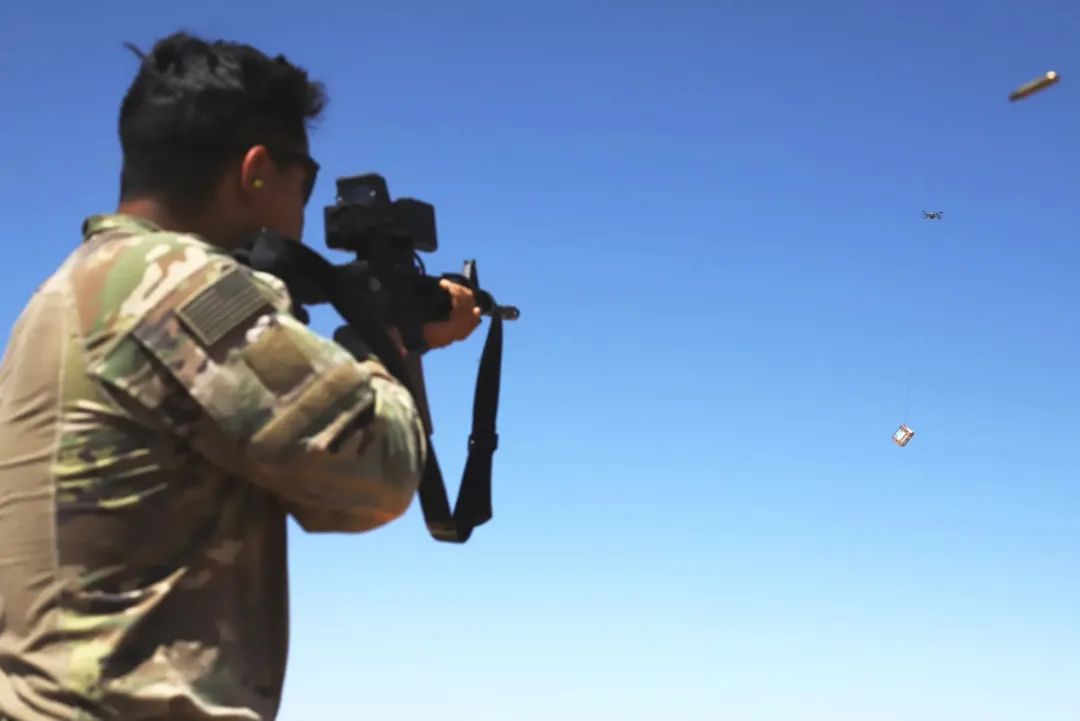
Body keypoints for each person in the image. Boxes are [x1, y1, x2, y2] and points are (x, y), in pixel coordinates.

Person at [0, 31, 481, 721]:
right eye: (304, 180)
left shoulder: (67, 292)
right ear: (256, 171)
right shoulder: (179, 286)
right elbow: (376, 473)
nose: (307, 207)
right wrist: (395, 347)